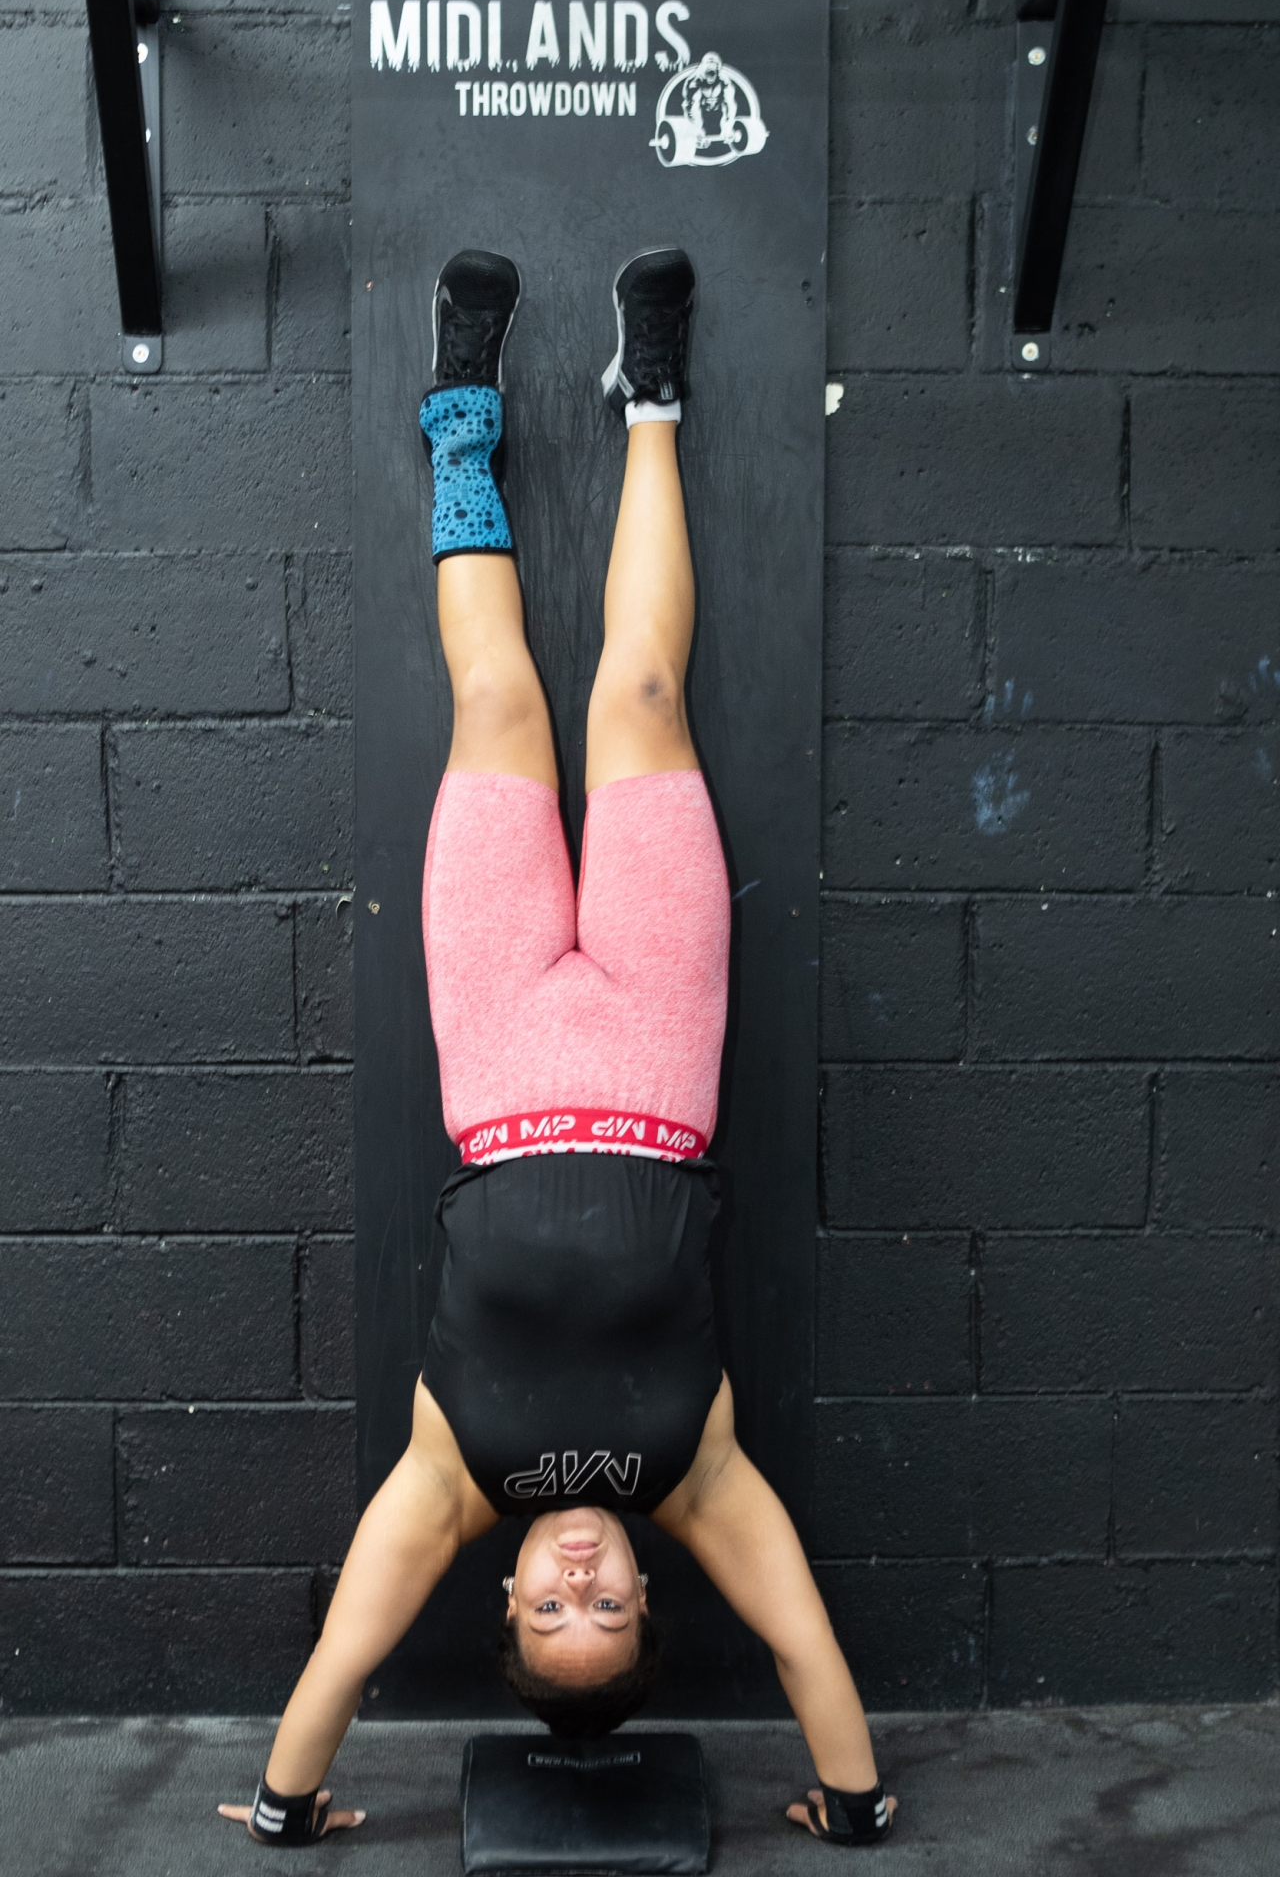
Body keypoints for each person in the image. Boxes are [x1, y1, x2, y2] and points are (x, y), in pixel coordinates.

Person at [219, 248, 897, 1850]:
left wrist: (284, 1808)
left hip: (506, 1051)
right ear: (653, 1590)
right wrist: (857, 1807)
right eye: (607, 1610)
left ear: (506, 1594)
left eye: (548, 1611)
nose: (578, 1580)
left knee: (499, 703)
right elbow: (806, 1646)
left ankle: (463, 411)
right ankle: (650, 396)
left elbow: (344, 1656)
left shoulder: (449, 1481)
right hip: (659, 1050)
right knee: (644, 693)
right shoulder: (699, 1475)